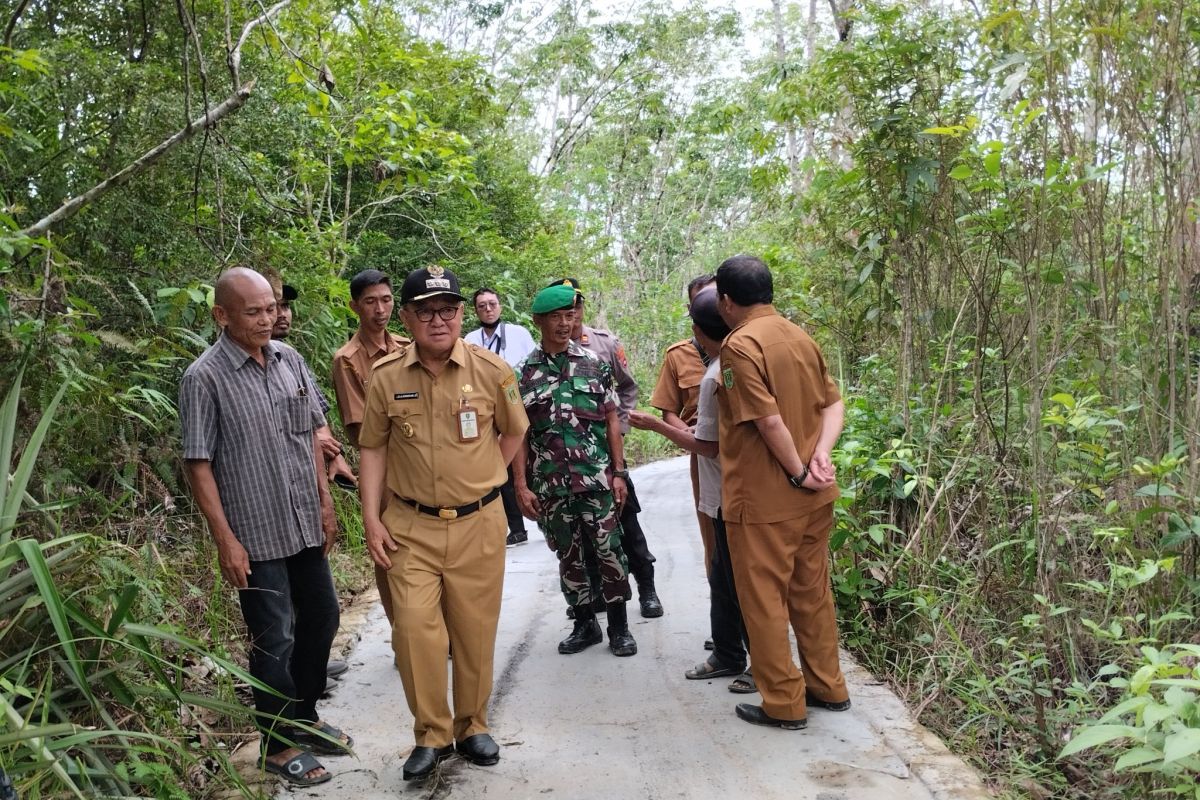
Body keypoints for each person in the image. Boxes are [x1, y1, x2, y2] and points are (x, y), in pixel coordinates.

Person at [180, 267, 351, 788]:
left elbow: (312, 439)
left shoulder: (289, 359)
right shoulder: (203, 378)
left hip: (303, 519)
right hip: (253, 533)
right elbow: (197, 462)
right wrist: (224, 539)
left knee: (322, 615)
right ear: (221, 315)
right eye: (253, 311)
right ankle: (277, 746)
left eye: (271, 308)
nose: (268, 318)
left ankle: (304, 714)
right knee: (273, 637)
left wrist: (326, 502)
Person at [358, 265, 529, 781]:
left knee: (475, 631)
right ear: (406, 317)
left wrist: (488, 476)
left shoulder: (493, 371)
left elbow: (514, 430)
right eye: (427, 311)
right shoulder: (387, 377)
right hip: (410, 525)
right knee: (415, 630)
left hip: (479, 522)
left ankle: (472, 725)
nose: (440, 320)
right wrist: (371, 518)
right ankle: (430, 734)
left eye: (449, 309)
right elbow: (373, 449)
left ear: (460, 314)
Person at [714, 254, 851, 731]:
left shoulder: (740, 347)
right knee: (812, 594)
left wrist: (796, 472)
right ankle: (828, 687)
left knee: (765, 602)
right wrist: (821, 459)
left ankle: (784, 704)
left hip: (766, 501)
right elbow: (834, 405)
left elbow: (767, 420)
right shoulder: (801, 337)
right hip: (816, 497)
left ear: (727, 301)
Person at [630, 285, 751, 690]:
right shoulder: (698, 360)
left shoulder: (723, 372)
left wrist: (655, 426)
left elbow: (709, 443)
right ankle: (728, 652)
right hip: (716, 486)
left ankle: (762, 665)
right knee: (721, 571)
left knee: (745, 580)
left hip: (740, 488)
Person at [512, 283, 637, 657]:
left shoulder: (594, 364)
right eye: (556, 317)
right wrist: (521, 485)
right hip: (551, 486)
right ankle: (585, 624)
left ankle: (619, 628)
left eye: (569, 315)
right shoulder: (522, 374)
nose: (565, 324)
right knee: (568, 555)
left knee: (609, 551)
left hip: (597, 480)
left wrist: (619, 472)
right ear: (538, 321)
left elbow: (611, 418)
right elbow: (517, 433)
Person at [550, 278, 663, 619]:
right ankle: (595, 594)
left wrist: (621, 432)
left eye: (575, 308)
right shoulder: (544, 357)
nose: (569, 318)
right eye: (561, 312)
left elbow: (627, 389)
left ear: (581, 309)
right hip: (568, 465)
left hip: (606, 457)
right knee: (582, 537)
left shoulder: (604, 344)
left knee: (627, 526)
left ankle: (647, 589)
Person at [330, 269, 410, 627]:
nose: (380, 309)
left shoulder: (407, 347)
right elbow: (364, 429)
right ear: (354, 306)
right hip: (384, 472)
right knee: (390, 551)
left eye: (387, 299)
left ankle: (435, 631)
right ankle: (402, 633)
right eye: (370, 302)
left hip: (421, 466)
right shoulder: (348, 360)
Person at [649, 273, 716, 650]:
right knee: (714, 543)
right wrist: (690, 438)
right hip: (703, 460)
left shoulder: (748, 350)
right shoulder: (679, 355)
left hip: (749, 461)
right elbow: (668, 408)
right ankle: (723, 625)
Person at [463, 287, 537, 546]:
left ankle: (547, 517)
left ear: (501, 306)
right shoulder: (469, 339)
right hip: (490, 411)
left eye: (492, 303)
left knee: (531, 465)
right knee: (500, 466)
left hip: (522, 406)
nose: (488, 309)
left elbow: (532, 366)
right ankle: (516, 528)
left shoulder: (519, 333)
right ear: (475, 310)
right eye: (481, 305)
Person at [272, 282, 357, 491]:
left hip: (304, 474)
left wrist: (334, 456)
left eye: (286, 307)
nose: (282, 314)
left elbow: (316, 411)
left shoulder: (293, 359)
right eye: (274, 307)